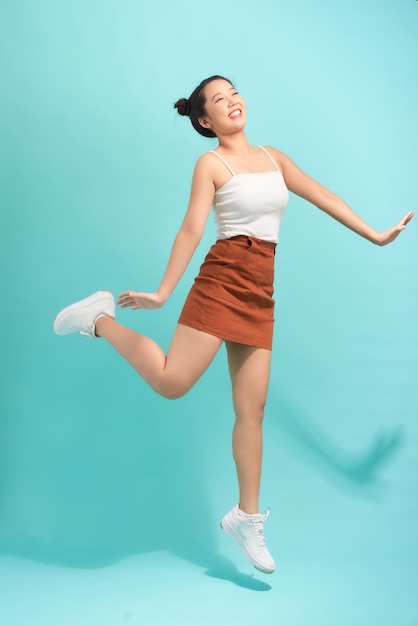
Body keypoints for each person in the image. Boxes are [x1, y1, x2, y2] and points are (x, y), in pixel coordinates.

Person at [53, 75, 414, 575]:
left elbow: (323, 195)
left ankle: (246, 517)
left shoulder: (274, 158)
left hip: (260, 287)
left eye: (234, 92)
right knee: (171, 382)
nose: (232, 102)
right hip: (223, 278)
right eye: (218, 100)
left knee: (253, 409)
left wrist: (375, 235)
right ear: (205, 120)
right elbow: (191, 228)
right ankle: (98, 318)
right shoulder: (211, 163)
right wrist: (161, 293)